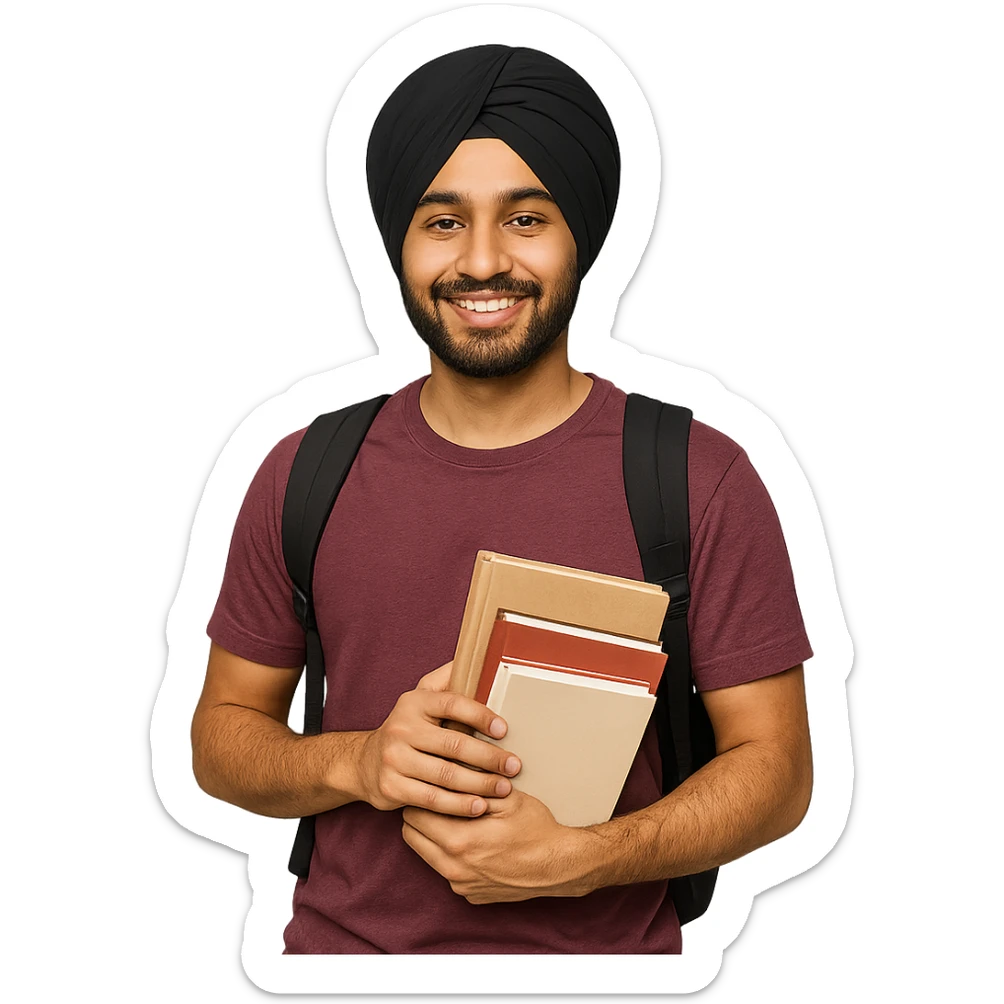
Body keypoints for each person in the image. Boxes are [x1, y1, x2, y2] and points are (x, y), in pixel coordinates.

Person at [191, 44, 814, 955]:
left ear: (580, 236)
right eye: (442, 222)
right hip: (345, 973)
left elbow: (779, 772)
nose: (483, 261)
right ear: (399, 244)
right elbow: (221, 741)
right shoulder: (304, 470)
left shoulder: (696, 475)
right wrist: (360, 761)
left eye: (526, 218)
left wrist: (589, 858)